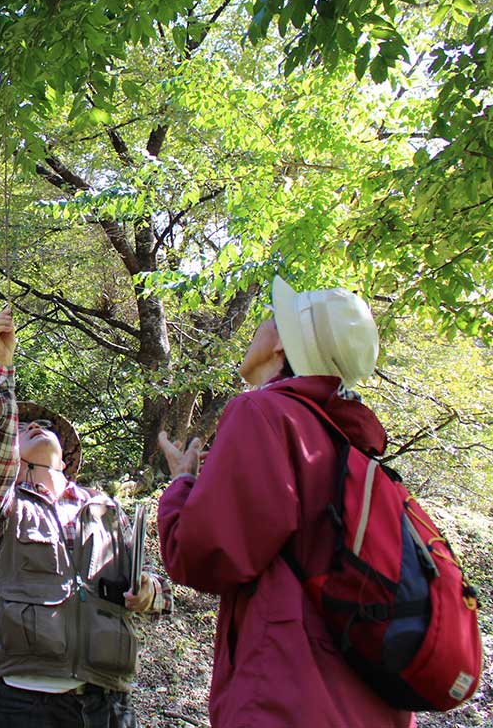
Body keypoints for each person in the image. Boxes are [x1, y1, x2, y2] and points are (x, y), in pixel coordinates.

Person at [156, 276, 414, 728]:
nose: (259, 325)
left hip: (285, 701)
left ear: (281, 348)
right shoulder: (349, 446)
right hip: (367, 706)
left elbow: (200, 555)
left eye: (270, 319)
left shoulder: (264, 415)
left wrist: (182, 486)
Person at [0, 307, 170, 728]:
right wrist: (1, 366)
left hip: (109, 700)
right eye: (25, 427)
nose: (38, 426)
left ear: (66, 454)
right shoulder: (1, 504)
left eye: (47, 425)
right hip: (28, 699)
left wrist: (150, 592)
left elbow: (153, 588)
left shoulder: (104, 510)